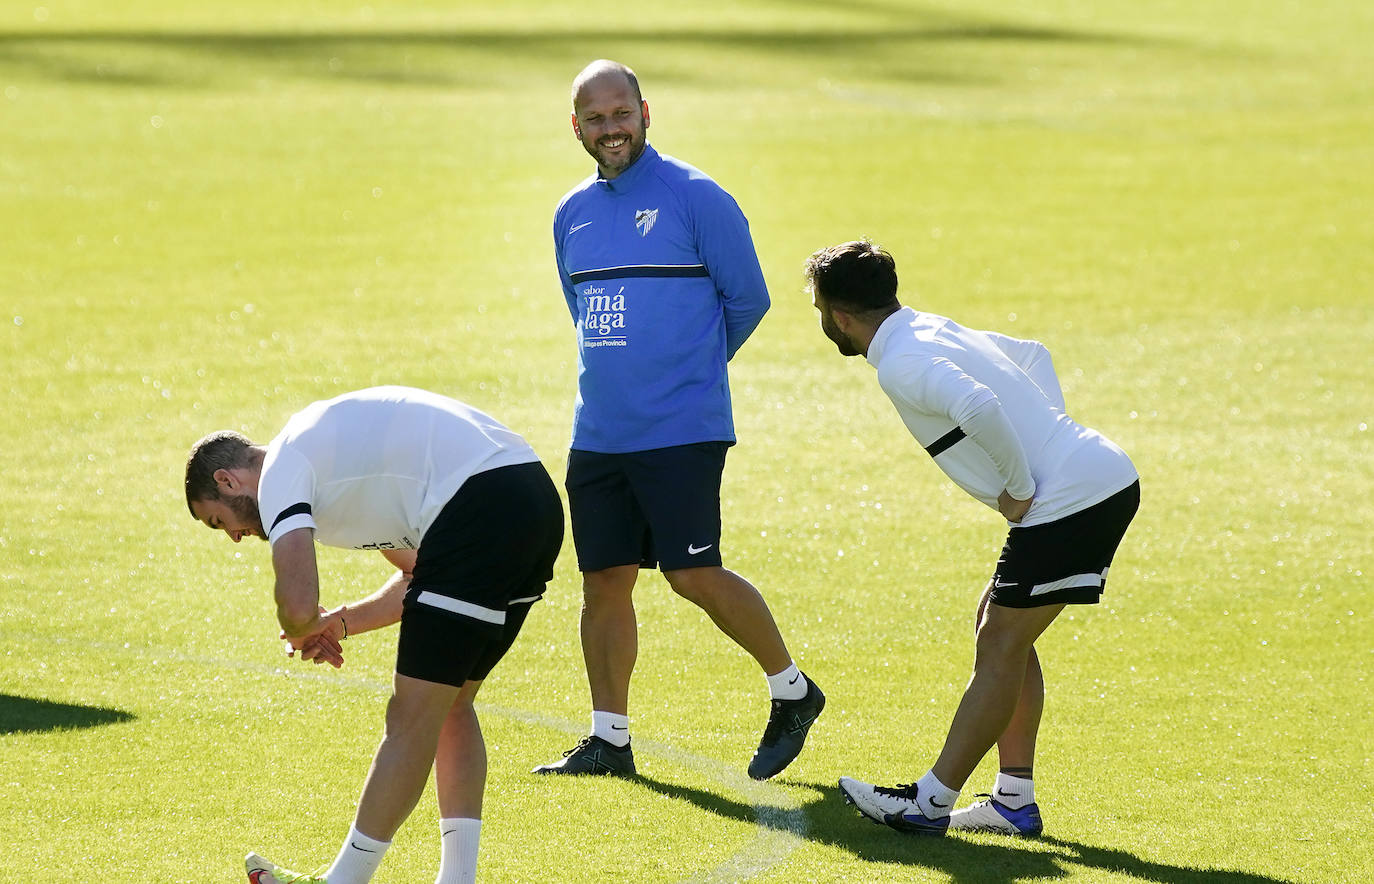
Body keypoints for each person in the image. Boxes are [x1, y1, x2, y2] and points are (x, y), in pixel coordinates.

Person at [534, 59, 823, 781]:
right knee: (602, 580)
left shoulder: (697, 197)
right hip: (598, 432)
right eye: (594, 118)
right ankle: (609, 739)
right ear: (576, 127)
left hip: (682, 428)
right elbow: (585, 316)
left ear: (645, 112)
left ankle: (793, 690)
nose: (611, 128)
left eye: (620, 113)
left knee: (692, 573)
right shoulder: (570, 214)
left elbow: (748, 300)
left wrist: (688, 372)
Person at [806, 241, 1140, 837]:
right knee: (999, 627)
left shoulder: (901, 362)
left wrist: (1020, 484)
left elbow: (979, 405)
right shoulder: (928, 326)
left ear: (839, 316)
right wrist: (1053, 439)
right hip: (1097, 476)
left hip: (1073, 498)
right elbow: (1034, 355)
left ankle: (930, 802)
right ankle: (1013, 799)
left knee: (1001, 641)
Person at [184, 386, 563, 884]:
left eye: (220, 521)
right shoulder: (332, 478)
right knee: (450, 703)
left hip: (480, 506)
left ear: (228, 479)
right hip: (531, 501)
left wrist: (303, 627)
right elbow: (418, 577)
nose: (234, 538)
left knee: (409, 716)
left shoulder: (280, 472)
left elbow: (296, 605)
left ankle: (343, 881)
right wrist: (336, 625)